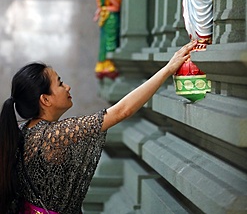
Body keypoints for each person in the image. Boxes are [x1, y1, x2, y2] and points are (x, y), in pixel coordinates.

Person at [0, 41, 196, 214]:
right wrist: (168, 69)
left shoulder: (24, 130)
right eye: (59, 84)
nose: (67, 87)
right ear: (45, 99)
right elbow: (122, 111)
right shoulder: (51, 135)